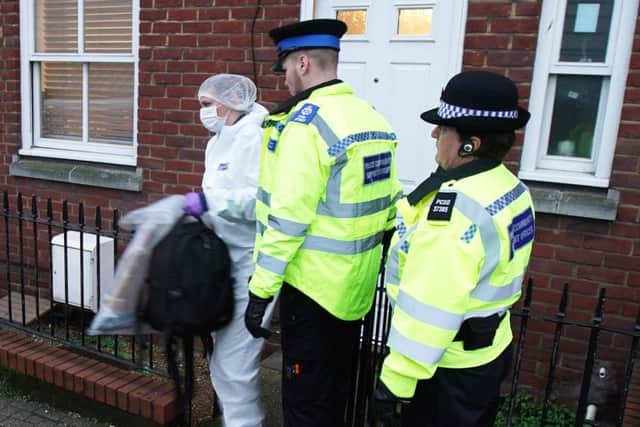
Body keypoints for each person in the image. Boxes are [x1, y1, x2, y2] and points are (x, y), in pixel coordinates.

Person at [243, 19, 402, 426]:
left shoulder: (306, 125)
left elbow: (287, 220)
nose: (287, 84)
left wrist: (261, 293)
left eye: (286, 71)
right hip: (355, 292)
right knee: (335, 393)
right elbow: (390, 208)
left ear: (301, 64)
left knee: (305, 401)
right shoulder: (371, 118)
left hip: (311, 292)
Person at [373, 71, 535, 427]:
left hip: (444, 369)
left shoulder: (454, 212)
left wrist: (395, 382)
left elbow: (430, 306)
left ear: (469, 145)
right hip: (488, 354)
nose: (434, 134)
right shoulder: (511, 188)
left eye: (443, 129)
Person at [182, 73, 274, 427]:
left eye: (207, 105)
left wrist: (208, 202)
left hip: (250, 266)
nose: (203, 112)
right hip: (222, 265)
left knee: (233, 368)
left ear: (229, 103)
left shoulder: (256, 137)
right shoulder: (218, 140)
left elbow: (260, 201)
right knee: (222, 361)